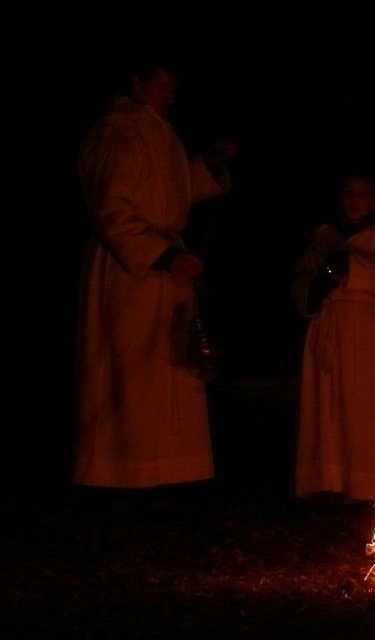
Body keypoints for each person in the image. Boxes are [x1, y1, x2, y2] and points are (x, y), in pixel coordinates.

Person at [73, 59, 237, 489]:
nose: (170, 94)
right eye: (161, 85)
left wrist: (210, 165)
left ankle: (169, 470)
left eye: (172, 86)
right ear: (137, 84)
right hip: (132, 269)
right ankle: (121, 472)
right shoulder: (117, 133)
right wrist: (160, 255)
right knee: (132, 369)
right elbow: (111, 209)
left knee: (169, 367)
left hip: (166, 264)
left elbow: (173, 191)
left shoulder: (159, 129)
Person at [290, 168, 375, 503]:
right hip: (329, 325)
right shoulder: (325, 237)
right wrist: (315, 290)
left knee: (368, 409)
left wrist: (353, 267)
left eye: (362, 194)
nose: (354, 201)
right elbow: (301, 281)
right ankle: (329, 480)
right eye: (348, 193)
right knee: (328, 405)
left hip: (367, 332)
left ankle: (371, 485)